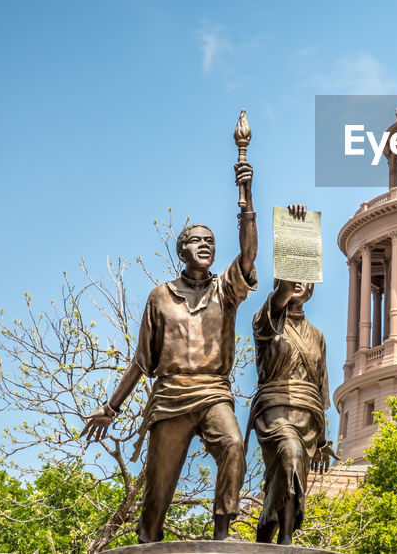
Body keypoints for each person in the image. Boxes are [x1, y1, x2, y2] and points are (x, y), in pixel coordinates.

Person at [82, 160, 258, 543]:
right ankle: (148, 541)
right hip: (170, 396)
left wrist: (246, 198)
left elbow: (248, 256)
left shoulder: (225, 290)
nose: (206, 245)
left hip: (213, 390)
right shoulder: (160, 297)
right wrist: (110, 408)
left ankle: (223, 531)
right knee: (158, 493)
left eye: (211, 240)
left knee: (233, 444)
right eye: (197, 240)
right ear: (182, 250)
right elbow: (142, 361)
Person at [247, 278, 331, 544]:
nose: (299, 284)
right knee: (290, 457)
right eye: (293, 279)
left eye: (306, 280)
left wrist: (322, 441)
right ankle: (285, 540)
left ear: (312, 289)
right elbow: (277, 301)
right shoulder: (267, 321)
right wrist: (288, 273)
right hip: (274, 410)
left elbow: (321, 390)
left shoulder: (317, 336)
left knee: (289, 477)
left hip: (308, 416)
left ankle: (268, 528)